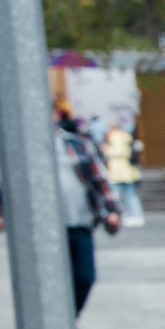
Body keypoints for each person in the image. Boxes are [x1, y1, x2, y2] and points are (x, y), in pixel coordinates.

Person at [54, 112, 122, 313]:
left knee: (85, 276)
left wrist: (111, 210)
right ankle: (58, 324)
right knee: (54, 280)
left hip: (79, 221)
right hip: (45, 230)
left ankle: (68, 319)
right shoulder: (24, 148)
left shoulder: (74, 143)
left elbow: (98, 177)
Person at [103, 119, 144, 227]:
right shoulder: (125, 136)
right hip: (126, 170)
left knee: (121, 195)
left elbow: (119, 151)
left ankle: (131, 214)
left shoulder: (115, 137)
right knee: (129, 194)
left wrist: (107, 150)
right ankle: (133, 214)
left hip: (118, 170)